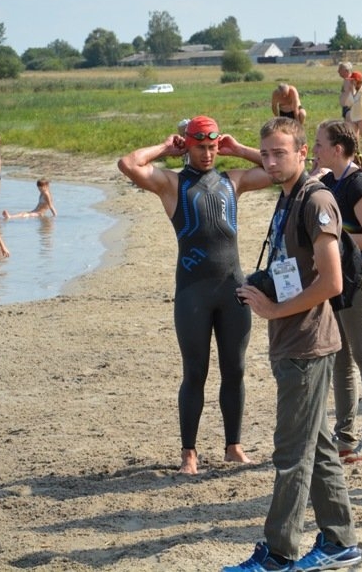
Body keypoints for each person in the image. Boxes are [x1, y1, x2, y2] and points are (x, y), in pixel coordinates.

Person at [227, 117, 361, 571]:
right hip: (294, 339)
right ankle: (340, 540)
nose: (270, 161)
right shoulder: (289, 196)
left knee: (290, 453)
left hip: (306, 343)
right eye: (265, 153)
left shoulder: (315, 200)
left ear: (303, 153)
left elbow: (332, 281)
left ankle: (279, 553)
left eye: (279, 153)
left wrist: (273, 309)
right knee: (317, 447)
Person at [118, 116, 271, 476]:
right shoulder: (172, 184)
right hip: (193, 293)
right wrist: (165, 148)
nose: (207, 154)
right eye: (200, 147)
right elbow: (128, 164)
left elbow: (277, 170)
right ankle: (189, 453)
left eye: (213, 147)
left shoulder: (233, 181)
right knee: (195, 372)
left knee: (235, 369)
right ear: (187, 145)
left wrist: (239, 149)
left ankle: (233, 447)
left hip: (233, 289)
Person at [313, 120, 362, 464]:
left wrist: (332, 239)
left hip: (360, 281)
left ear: (338, 149)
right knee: (340, 360)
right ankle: (344, 435)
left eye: (319, 144)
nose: (315, 150)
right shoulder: (330, 181)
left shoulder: (358, 184)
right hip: (338, 282)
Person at [347, 71, 362, 140]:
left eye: (352, 80)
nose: (351, 82)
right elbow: (349, 102)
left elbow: (358, 100)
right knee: (353, 137)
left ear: (357, 80)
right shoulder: (352, 89)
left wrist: (352, 91)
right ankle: (356, 147)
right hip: (354, 115)